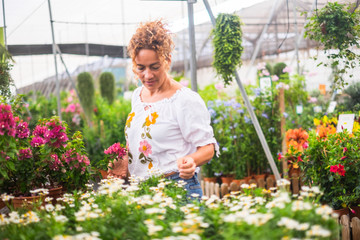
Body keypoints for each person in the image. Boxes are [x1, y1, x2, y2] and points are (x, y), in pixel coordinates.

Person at [108, 19, 219, 198]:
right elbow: (140, 140)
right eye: (140, 68)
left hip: (176, 188)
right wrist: (125, 162)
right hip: (142, 190)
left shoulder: (184, 100)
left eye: (155, 67)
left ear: (167, 60)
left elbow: (207, 148)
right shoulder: (137, 96)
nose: (147, 75)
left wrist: (191, 160)